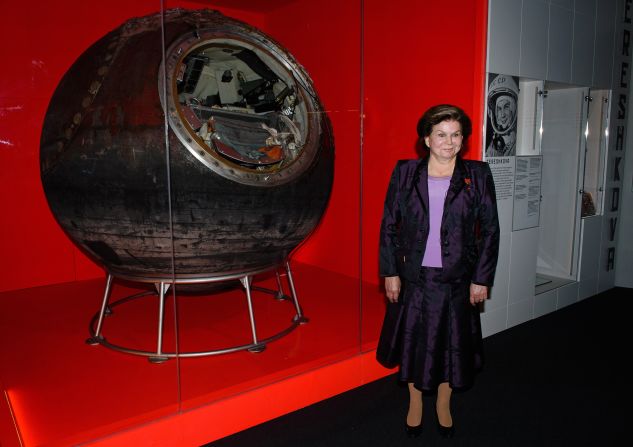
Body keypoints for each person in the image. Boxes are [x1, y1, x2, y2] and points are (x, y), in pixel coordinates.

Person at [376, 104, 500, 439]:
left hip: (458, 280)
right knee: (415, 344)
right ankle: (415, 402)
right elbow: (389, 225)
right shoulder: (405, 173)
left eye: (456, 134)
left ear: (463, 139)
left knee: (450, 344)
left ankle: (444, 403)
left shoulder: (477, 175)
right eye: (441, 135)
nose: (449, 142)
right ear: (426, 139)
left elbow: (490, 230)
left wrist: (481, 278)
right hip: (415, 277)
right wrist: (390, 272)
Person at [485, 74, 518, 157]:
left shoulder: (517, 145)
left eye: (506, 107)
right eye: (499, 108)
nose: (502, 115)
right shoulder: (493, 145)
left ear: (514, 109)